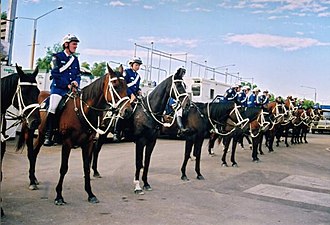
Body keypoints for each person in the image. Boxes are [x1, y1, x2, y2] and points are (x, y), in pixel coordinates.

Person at [43, 34, 81, 146]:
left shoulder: (75, 59)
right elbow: (55, 73)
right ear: (66, 44)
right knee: (53, 107)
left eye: (76, 45)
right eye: (74, 44)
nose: (75, 46)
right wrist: (67, 85)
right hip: (58, 88)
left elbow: (78, 74)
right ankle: (48, 135)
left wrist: (76, 82)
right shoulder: (57, 57)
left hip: (71, 90)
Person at [112, 56, 143, 142]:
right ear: (131, 65)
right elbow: (123, 85)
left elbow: (136, 87)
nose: (138, 67)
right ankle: (116, 132)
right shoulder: (126, 72)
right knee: (122, 112)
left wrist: (139, 91)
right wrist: (131, 94)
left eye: (139, 65)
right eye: (136, 65)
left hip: (134, 96)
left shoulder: (138, 76)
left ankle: (130, 132)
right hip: (125, 96)